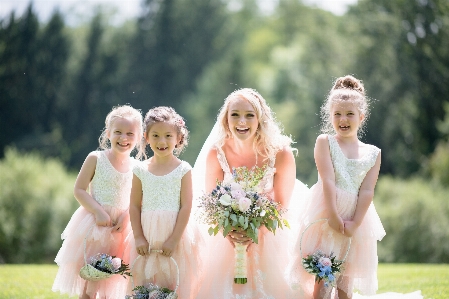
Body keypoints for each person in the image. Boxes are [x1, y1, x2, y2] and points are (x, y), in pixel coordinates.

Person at [289, 75, 422, 299]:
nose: (343, 119)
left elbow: (367, 190)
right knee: (323, 279)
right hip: (326, 213)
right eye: (337, 114)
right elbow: (328, 179)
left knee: (345, 284)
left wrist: (355, 223)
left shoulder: (373, 153)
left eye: (350, 113)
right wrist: (332, 214)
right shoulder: (325, 142)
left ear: (361, 116)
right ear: (330, 116)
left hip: (355, 217)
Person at [193, 88, 309, 299]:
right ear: (226, 119)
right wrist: (229, 231)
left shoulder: (280, 153)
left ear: (260, 118)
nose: (241, 121)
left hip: (271, 230)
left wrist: (255, 232)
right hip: (226, 234)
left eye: (249, 115)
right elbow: (211, 203)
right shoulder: (216, 152)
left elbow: (282, 203)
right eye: (235, 114)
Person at [52, 105, 143, 299]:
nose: (123, 138)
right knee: (90, 281)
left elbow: (139, 199)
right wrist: (98, 211)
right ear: (108, 133)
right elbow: (79, 189)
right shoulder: (96, 158)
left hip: (122, 229)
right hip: (95, 226)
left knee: (114, 282)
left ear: (139, 137)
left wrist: (127, 216)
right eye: (118, 132)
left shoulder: (138, 167)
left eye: (130, 133)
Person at [127, 106, 201, 299]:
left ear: (178, 138)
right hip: (147, 232)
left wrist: (174, 239)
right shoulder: (140, 169)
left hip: (175, 233)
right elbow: (134, 205)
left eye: (168, 135)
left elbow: (186, 206)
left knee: (173, 283)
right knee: (146, 281)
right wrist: (139, 237)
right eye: (156, 135)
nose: (162, 141)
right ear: (147, 137)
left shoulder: (183, 169)